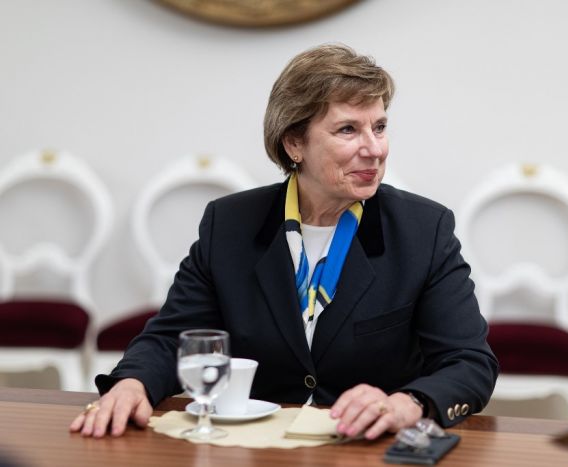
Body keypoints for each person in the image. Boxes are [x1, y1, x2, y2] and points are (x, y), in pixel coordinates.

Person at [70, 43, 498, 439]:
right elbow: (171, 339)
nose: (375, 149)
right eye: (348, 130)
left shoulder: (424, 230)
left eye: (380, 127)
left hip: (365, 450)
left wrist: (408, 403)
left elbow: (469, 362)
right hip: (252, 446)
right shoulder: (230, 225)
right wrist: (132, 383)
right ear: (294, 143)